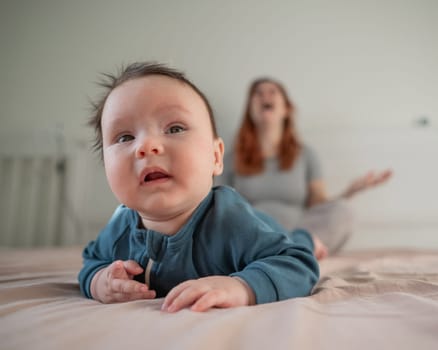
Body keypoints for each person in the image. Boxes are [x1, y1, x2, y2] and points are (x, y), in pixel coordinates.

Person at [78, 62, 320, 313]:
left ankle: (307, 236)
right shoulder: (119, 226)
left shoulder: (232, 222)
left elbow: (298, 264)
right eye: (125, 137)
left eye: (174, 128)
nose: (147, 146)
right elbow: (93, 262)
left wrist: (240, 286)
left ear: (215, 157)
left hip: (265, 227)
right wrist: (99, 282)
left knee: (294, 240)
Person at [216, 78, 392, 255]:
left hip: (300, 228)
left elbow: (319, 203)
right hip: (254, 232)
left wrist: (350, 191)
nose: (265, 96)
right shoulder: (231, 158)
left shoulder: (306, 155)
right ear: (250, 110)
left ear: (286, 109)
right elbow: (222, 205)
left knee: (342, 213)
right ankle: (295, 253)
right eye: (258, 93)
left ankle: (288, 250)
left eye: (272, 92)